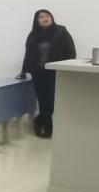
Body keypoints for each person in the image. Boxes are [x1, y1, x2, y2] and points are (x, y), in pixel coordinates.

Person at [19, 9, 76, 138]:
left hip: (55, 72)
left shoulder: (61, 31)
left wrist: (69, 67)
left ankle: (38, 121)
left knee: (52, 102)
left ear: (51, 17)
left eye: (47, 16)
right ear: (37, 21)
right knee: (43, 101)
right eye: (41, 17)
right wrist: (23, 71)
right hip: (38, 73)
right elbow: (28, 53)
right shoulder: (33, 35)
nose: (45, 18)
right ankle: (48, 128)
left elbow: (71, 51)